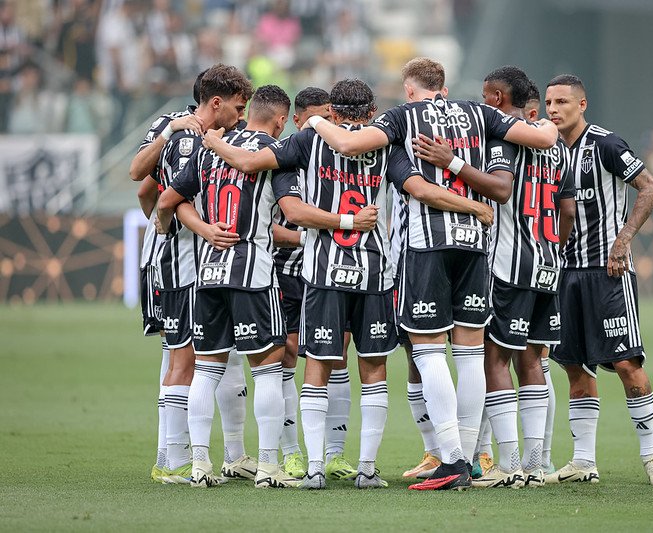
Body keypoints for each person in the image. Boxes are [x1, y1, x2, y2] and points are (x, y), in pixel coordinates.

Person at [202, 77, 495, 490]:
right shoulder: (387, 146)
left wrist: (213, 141)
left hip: (323, 271)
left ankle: (317, 467)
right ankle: (368, 469)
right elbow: (420, 189)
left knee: (317, 368)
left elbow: (253, 168)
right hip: (375, 271)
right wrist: (474, 207)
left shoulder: (305, 141)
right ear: (373, 113)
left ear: (332, 113)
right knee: (374, 370)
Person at [302, 57, 558, 490]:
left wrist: (313, 121)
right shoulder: (481, 113)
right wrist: (476, 203)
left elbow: (348, 146)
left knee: (428, 349)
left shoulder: (402, 117)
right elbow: (543, 137)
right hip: (476, 245)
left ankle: (451, 456)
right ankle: (474, 455)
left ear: (409, 89)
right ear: (443, 84)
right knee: (471, 352)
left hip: (428, 244)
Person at [413, 66, 576, 488]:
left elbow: (499, 189)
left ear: (499, 98)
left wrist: (452, 160)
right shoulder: (558, 147)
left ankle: (507, 462)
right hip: (547, 261)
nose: (483, 103)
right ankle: (537, 464)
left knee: (491, 359)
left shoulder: (503, 136)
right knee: (535, 360)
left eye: (487, 96)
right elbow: (568, 210)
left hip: (508, 263)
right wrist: (552, 248)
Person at [158, 83, 307, 488]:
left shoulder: (211, 148)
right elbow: (291, 211)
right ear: (280, 120)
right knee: (268, 369)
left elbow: (170, 200)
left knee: (206, 370)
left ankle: (201, 466)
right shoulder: (274, 153)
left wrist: (205, 229)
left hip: (207, 274)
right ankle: (268, 467)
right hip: (252, 274)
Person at [543, 74, 653, 486]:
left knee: (626, 363)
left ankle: (652, 457)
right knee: (573, 365)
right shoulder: (544, 149)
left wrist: (623, 241)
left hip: (609, 270)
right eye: (548, 103)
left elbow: (650, 189)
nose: (553, 110)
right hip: (564, 272)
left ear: (582, 105)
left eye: (562, 102)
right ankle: (583, 461)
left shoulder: (606, 144)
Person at [131, 69, 253, 484]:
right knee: (183, 357)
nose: (242, 117)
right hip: (179, 261)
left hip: (192, 260)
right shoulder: (180, 133)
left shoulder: (210, 136)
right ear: (215, 102)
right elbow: (149, 186)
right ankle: (174, 461)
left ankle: (173, 456)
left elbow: (149, 193)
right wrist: (177, 230)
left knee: (201, 355)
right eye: (238, 108)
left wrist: (162, 224)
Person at [273, 86, 359, 481]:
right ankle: (293, 453)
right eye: (319, 118)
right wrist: (306, 236)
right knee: (288, 356)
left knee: (335, 356)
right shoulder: (291, 151)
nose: (328, 124)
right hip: (285, 271)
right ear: (298, 120)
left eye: (332, 115)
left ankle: (334, 452)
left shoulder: (346, 151)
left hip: (329, 268)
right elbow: (265, 224)